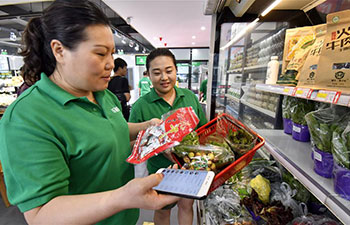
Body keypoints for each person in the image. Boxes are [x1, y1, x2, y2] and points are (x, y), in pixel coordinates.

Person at [0, 1, 179, 225]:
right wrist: (122, 197)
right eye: (100, 54)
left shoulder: (102, 95)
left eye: (112, 54)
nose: (110, 64)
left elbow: (111, 130)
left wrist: (148, 128)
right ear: (59, 51)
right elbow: (40, 214)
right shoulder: (27, 116)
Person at [129, 48, 207, 225]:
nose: (164, 77)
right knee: (162, 211)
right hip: (160, 171)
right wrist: (158, 146)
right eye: (156, 73)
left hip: (189, 168)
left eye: (169, 71)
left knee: (186, 207)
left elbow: (203, 129)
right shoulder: (141, 106)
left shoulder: (189, 97)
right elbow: (134, 142)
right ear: (148, 75)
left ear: (176, 70)